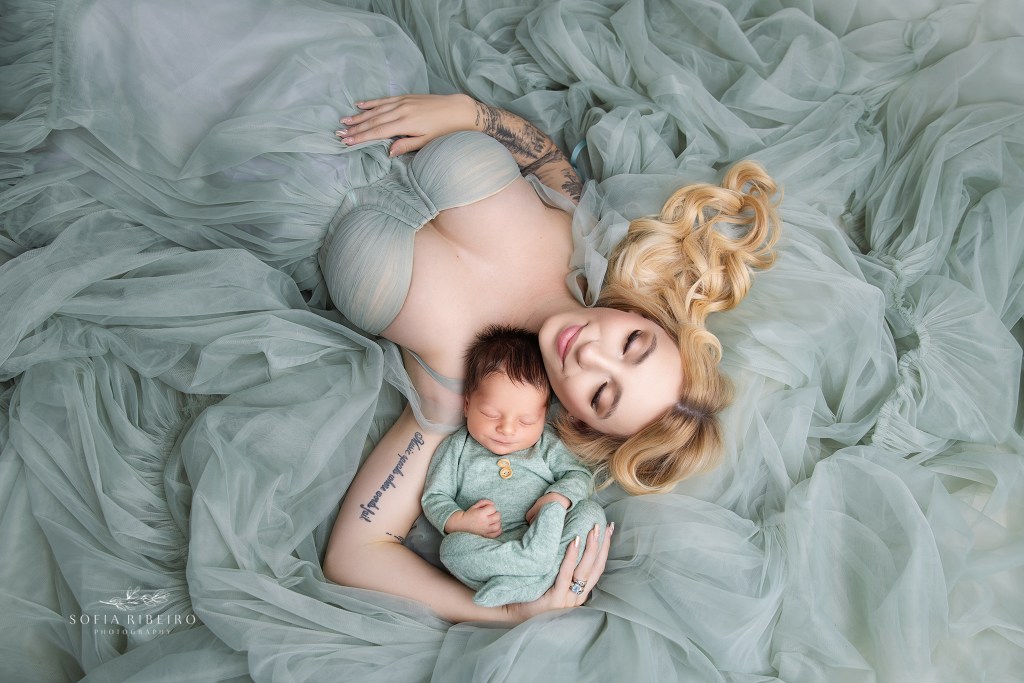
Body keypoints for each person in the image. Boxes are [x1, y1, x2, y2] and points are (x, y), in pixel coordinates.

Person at [321, 92, 780, 622]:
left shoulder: (454, 395)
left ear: (581, 422)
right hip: (350, 90)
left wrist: (509, 613)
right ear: (645, 317)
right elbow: (541, 156)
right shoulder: (581, 235)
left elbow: (353, 554)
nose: (591, 352)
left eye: (601, 393)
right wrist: (471, 115)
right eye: (631, 344)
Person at [421, 325, 607, 607]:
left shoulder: (547, 443)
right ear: (467, 404)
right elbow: (435, 496)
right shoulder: (457, 447)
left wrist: (557, 498)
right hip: (493, 547)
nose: (507, 429)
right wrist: (459, 521)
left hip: (548, 538)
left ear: (544, 416)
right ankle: (534, 573)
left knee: (591, 513)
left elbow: (578, 474)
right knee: (451, 549)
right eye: (490, 414)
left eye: (526, 421)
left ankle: (524, 580)